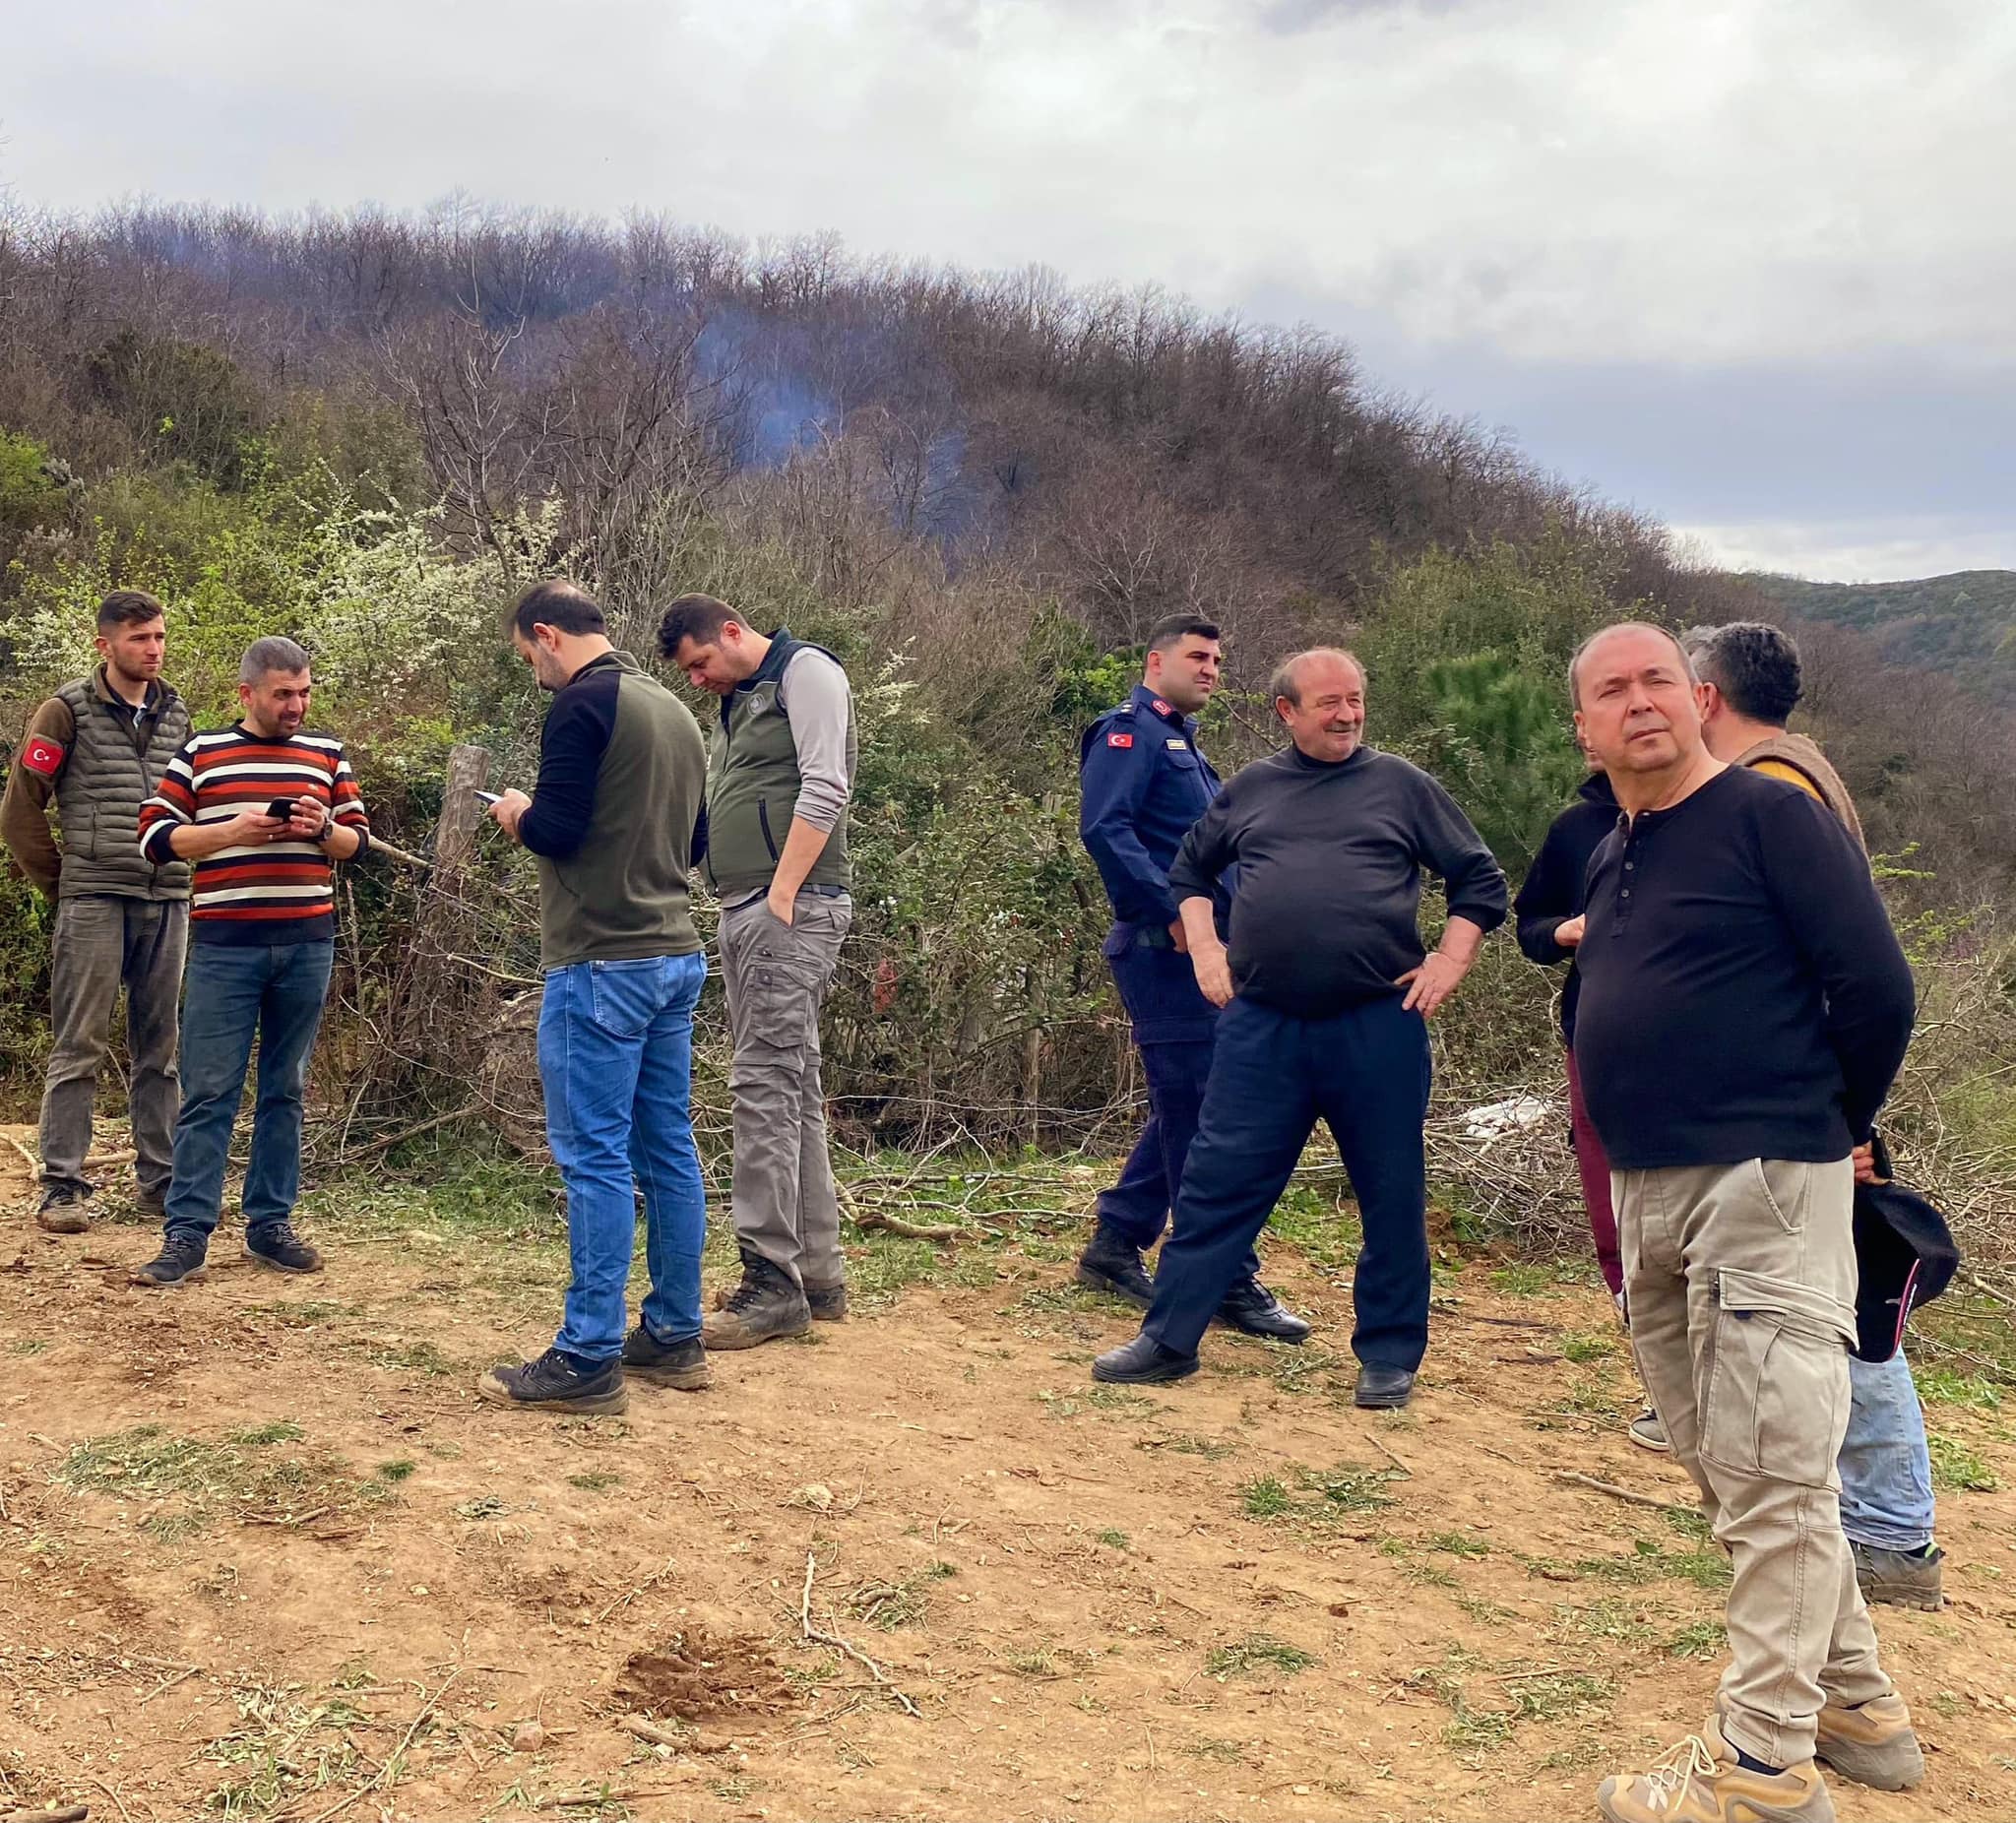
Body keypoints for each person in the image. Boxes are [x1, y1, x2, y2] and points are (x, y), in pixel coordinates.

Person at [1569, 623, 1923, 1823]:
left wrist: (1824, 1120)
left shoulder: (1770, 816)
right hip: (1651, 1187)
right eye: (1610, 690)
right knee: (1730, 1468)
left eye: (1656, 680)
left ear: (1698, 697)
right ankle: (1858, 1708)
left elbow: (1874, 988)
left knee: (1771, 1474)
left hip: (1764, 1182)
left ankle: (1761, 1773)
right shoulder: (1616, 845)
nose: (1638, 702)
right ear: (1584, 726)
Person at [1092, 649, 1507, 1408]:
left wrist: (1451, 957)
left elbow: (1481, 880)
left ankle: (1388, 1354)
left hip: (1376, 1022)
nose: (1348, 714)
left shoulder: (1402, 786)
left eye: (1356, 700)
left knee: (1389, 1190)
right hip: (1263, 1025)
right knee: (1216, 1181)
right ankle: (1169, 1340)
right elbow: (1188, 872)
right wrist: (1207, 950)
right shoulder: (1252, 788)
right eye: (1329, 703)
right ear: (1286, 712)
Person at [1685, 619, 1944, 1613]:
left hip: (1804, 1100)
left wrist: (1839, 1113)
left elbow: (1854, 974)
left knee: (1844, 1313)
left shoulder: (1772, 793)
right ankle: (1874, 1520)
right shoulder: (1802, 773)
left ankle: (1886, 1533)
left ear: (1705, 697)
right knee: (1832, 1305)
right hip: (1811, 1092)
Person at [477, 582, 711, 1416]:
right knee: (667, 1149)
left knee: (595, 1159)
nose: (533, 671)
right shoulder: (673, 710)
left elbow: (557, 832)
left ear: (546, 636)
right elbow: (697, 841)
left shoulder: (581, 705)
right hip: (674, 955)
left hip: (599, 962)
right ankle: (676, 1333)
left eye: (526, 655)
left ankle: (587, 1355)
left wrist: (513, 813)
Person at [1074, 615, 1305, 1342]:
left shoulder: (1182, 744)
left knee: (1190, 1103)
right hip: (1164, 952)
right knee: (1203, 1112)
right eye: (1196, 657)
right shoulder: (1128, 734)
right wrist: (1175, 914)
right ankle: (1225, 1275)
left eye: (1216, 659)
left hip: (1208, 952)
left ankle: (1116, 1242)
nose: (1210, 669)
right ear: (1155, 661)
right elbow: (1104, 829)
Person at [131, 638, 371, 1287]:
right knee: (208, 1090)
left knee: (285, 1088)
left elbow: (357, 843)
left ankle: (270, 1225)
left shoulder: (327, 754)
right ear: (248, 693)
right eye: (283, 694)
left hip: (307, 944)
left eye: (305, 692)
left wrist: (322, 828)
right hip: (224, 948)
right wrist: (232, 831)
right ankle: (186, 1234)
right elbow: (155, 836)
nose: (296, 705)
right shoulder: (203, 754)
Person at [658, 594, 855, 1350]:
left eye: (702, 663)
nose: (699, 679)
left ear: (733, 632)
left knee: (763, 1086)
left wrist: (782, 893)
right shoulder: (741, 702)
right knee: (792, 1082)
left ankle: (770, 1281)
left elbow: (826, 783)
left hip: (787, 909)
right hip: (745, 906)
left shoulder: (805, 673)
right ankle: (814, 1274)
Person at [1, 591, 192, 1234]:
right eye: (139, 638)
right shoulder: (65, 711)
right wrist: (65, 885)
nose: (154, 649)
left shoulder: (177, 713)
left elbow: (192, 803)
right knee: (79, 1044)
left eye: (159, 636)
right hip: (94, 899)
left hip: (166, 896)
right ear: (105, 645)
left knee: (160, 1047)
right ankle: (61, 1187)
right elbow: (19, 809)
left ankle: (162, 1183)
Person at [1514, 757, 1672, 1453]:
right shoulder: (1577, 827)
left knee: (1696, 1218)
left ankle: (1714, 1387)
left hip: (1700, 1053)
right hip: (1595, 1043)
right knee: (1613, 1220)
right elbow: (1529, 926)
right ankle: (1668, 1392)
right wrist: (1561, 933)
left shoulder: (1718, 814)